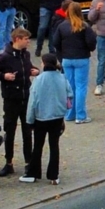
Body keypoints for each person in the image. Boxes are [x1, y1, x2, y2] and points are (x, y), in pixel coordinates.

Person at [0, 27, 39, 178]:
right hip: (11, 99)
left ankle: (29, 162)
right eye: (26, 39)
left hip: (26, 97)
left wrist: (34, 71)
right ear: (17, 39)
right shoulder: (4, 56)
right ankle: (8, 163)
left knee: (27, 131)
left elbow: (27, 68)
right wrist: (4, 76)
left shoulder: (26, 55)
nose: (28, 41)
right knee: (10, 131)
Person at [22, 54, 69, 185]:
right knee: (54, 146)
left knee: (38, 146)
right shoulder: (62, 78)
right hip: (57, 117)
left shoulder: (38, 80)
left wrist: (29, 120)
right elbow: (69, 94)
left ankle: (33, 173)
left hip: (41, 118)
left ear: (44, 64)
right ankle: (54, 175)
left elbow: (32, 102)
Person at [54, 2, 96, 123]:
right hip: (81, 58)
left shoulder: (62, 26)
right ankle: (80, 115)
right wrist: (87, 49)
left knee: (70, 87)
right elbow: (91, 43)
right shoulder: (84, 26)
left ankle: (70, 114)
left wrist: (61, 55)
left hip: (67, 59)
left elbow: (56, 43)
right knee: (81, 87)